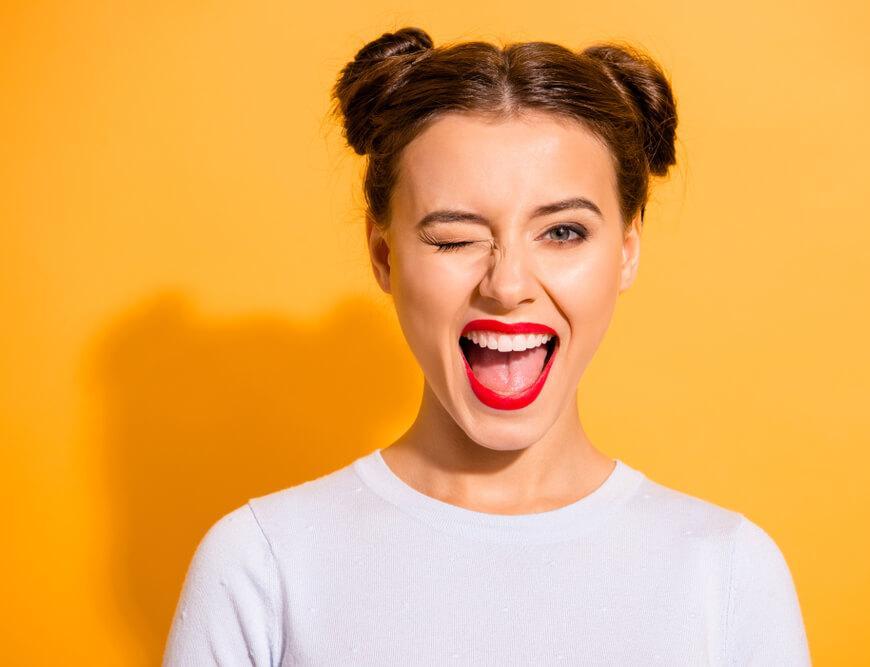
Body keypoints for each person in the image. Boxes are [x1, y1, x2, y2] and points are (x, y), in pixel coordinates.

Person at [163, 26, 811, 665]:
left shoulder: (726, 573)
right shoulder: (264, 563)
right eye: (453, 238)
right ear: (384, 255)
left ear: (626, 251)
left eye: (561, 232)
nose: (507, 285)